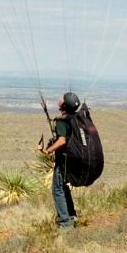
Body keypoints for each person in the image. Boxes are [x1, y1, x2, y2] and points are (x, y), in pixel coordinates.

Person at [39, 91, 80, 227]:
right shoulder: (76, 118)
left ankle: (65, 224)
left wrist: (47, 150)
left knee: (57, 190)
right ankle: (72, 216)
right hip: (74, 159)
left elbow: (62, 140)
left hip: (64, 161)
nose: (60, 98)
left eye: (63, 98)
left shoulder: (63, 121)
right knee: (63, 187)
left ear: (64, 104)